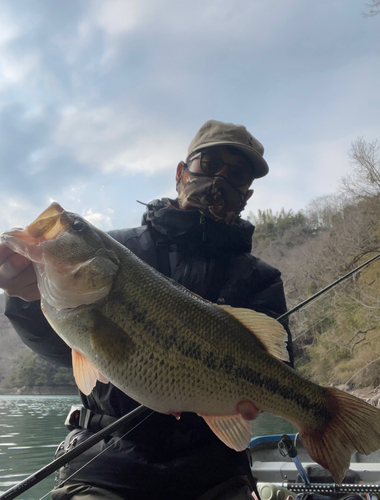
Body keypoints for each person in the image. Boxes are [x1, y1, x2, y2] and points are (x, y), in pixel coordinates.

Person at [0, 120, 293, 500]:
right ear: (181, 173)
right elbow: (62, 350)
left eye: (236, 174)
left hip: (214, 471)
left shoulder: (262, 280)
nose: (220, 181)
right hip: (105, 465)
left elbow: (280, 368)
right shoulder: (115, 251)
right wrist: (27, 299)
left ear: (247, 194)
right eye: (208, 164)